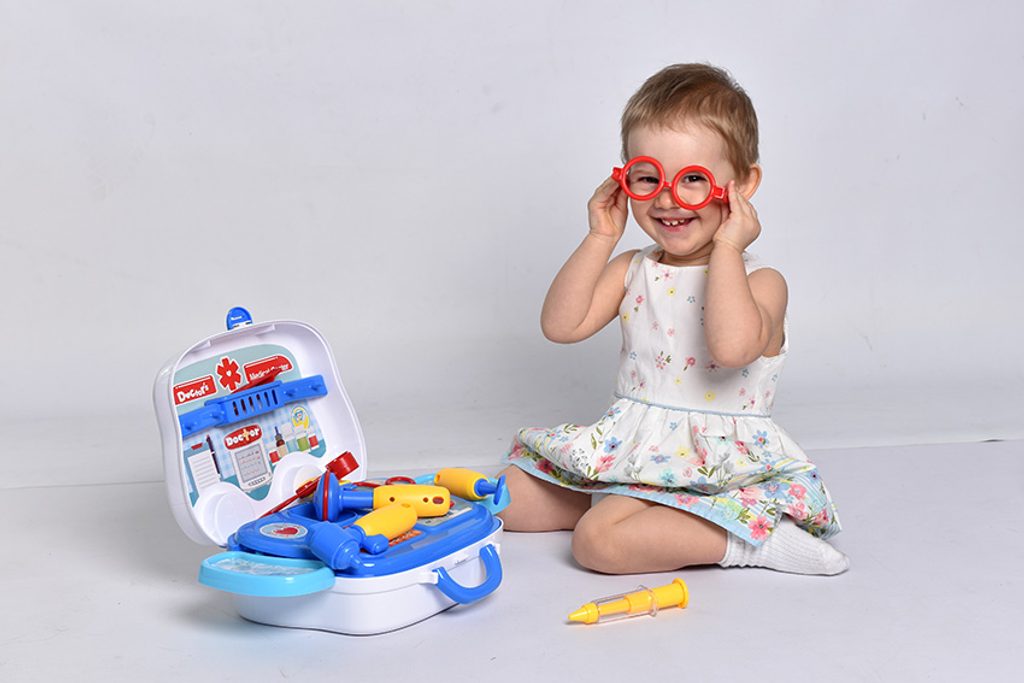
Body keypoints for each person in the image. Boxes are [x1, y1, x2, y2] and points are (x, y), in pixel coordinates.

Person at [498, 63, 848, 576]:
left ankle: (747, 539)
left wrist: (727, 247)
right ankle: (638, 514)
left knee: (597, 543)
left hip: (714, 464)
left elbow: (730, 349)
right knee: (509, 496)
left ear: (743, 183)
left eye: (693, 180)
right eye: (648, 177)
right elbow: (562, 326)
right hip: (636, 447)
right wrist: (601, 236)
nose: (667, 199)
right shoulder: (634, 267)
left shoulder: (762, 282)